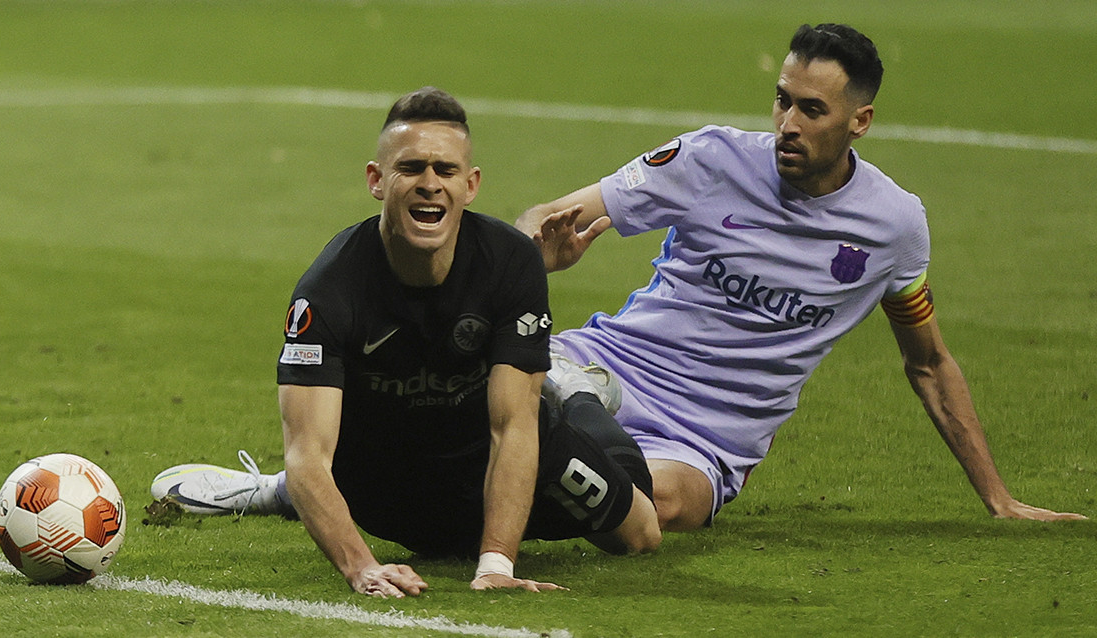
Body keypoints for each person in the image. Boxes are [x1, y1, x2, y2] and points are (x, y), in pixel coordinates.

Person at [515, 24, 1087, 532]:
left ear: (859, 121)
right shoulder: (708, 161)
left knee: (653, 505)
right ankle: (556, 421)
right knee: (476, 390)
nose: (788, 124)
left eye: (812, 110)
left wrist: (999, 498)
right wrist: (535, 255)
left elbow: (930, 364)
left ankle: (555, 435)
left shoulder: (894, 225)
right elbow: (543, 220)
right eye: (782, 101)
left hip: (704, 438)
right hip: (610, 364)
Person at [150, 87, 660, 598]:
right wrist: (361, 567)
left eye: (446, 170)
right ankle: (282, 492)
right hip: (387, 479)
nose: (430, 184)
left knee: (641, 533)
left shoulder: (510, 262)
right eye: (411, 168)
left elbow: (514, 426)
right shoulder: (328, 291)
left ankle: (575, 392)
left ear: (471, 185)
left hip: (491, 450)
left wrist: (497, 563)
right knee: (418, 535)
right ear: (377, 180)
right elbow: (308, 454)